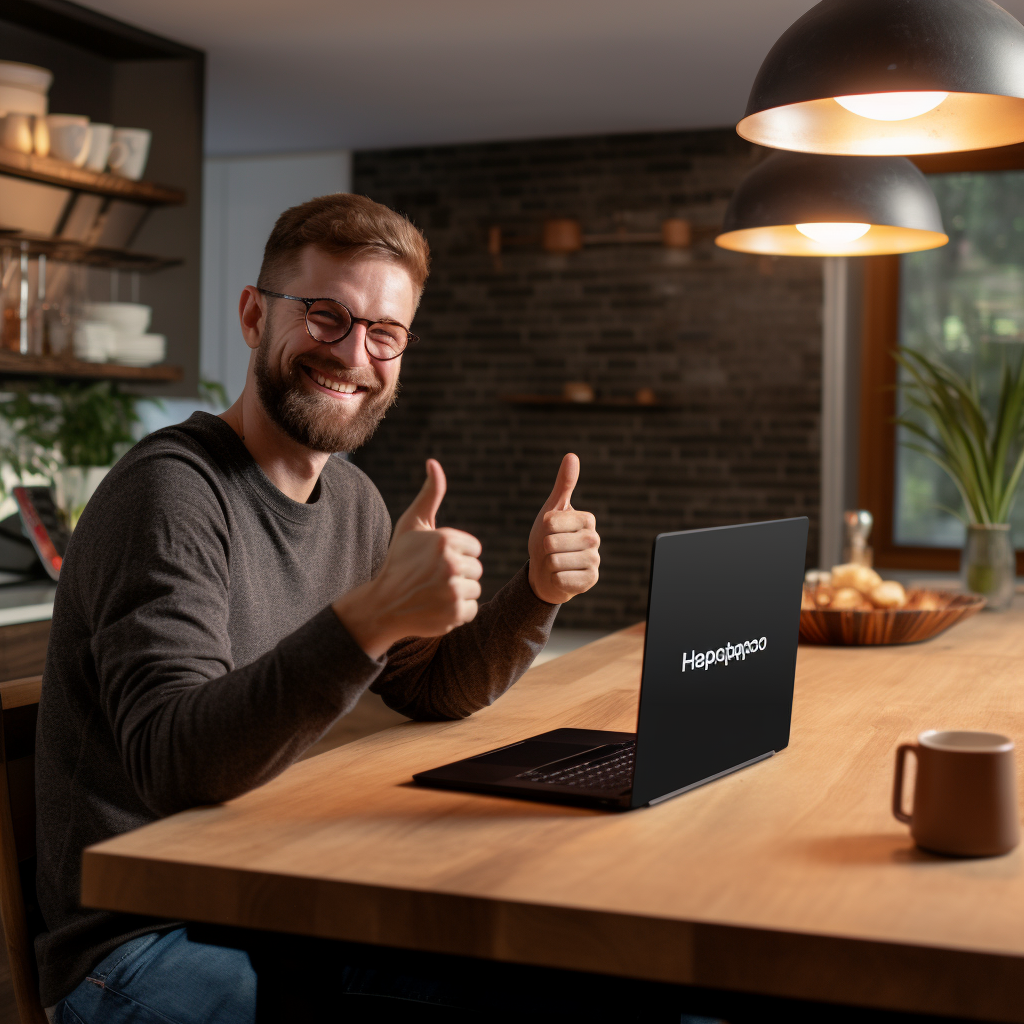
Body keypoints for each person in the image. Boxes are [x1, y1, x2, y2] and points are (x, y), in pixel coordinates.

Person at [37, 193, 601, 1022]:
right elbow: (172, 763)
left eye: (384, 332)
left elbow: (424, 690)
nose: (353, 354)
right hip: (142, 942)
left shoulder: (353, 502)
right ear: (254, 316)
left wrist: (536, 593)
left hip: (272, 892)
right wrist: (372, 613)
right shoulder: (171, 492)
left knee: (577, 982)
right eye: (327, 315)